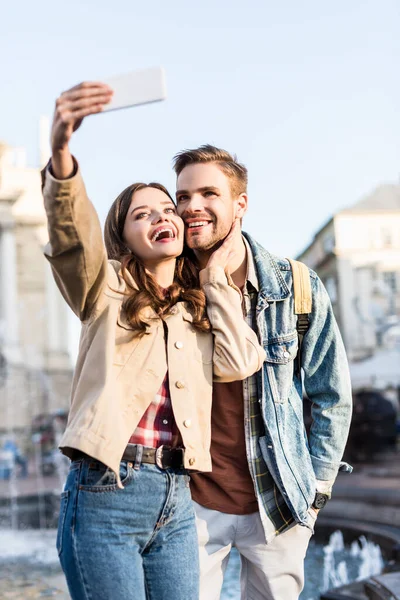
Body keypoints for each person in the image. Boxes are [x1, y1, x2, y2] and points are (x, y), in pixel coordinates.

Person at [41, 84, 266, 600]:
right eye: (142, 213)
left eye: (168, 209)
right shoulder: (106, 287)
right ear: (122, 235)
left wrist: (214, 274)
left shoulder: (196, 307)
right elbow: (72, 239)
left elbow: (239, 362)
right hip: (106, 491)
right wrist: (60, 158)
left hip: (177, 498)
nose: (163, 216)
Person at [172, 144, 353, 600]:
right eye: (183, 196)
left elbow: (331, 393)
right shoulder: (165, 285)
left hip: (278, 499)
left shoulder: (296, 286)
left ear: (240, 204)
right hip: (189, 501)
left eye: (208, 193)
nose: (192, 206)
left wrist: (317, 490)